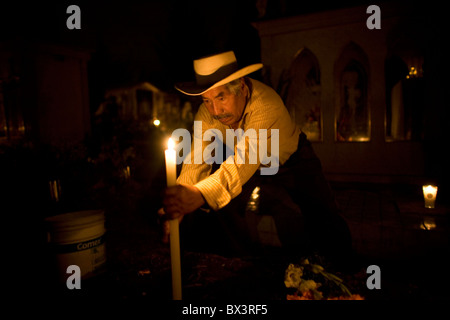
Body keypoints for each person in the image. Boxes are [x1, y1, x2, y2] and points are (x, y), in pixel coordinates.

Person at [159, 51, 352, 262]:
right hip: (250, 165)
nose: (215, 110)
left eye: (221, 97)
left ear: (241, 86)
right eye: (207, 100)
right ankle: (243, 265)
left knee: (323, 213)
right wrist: (179, 200)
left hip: (290, 159)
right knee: (225, 209)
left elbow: (245, 159)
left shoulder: (265, 104)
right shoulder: (207, 114)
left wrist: (199, 193)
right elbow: (197, 160)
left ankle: (345, 269)